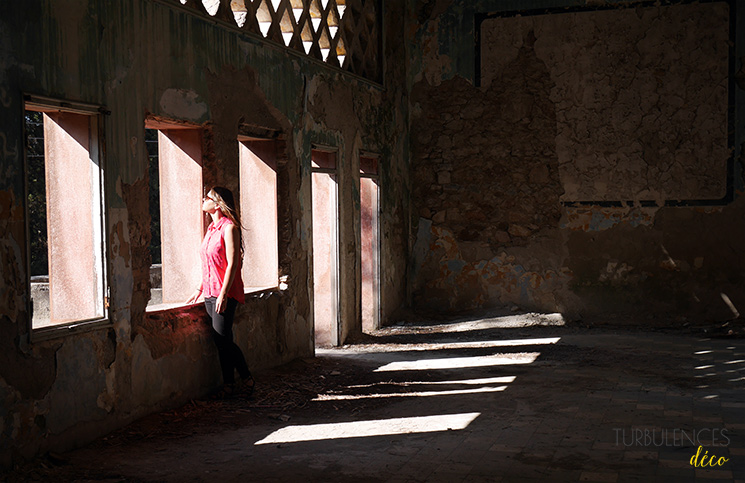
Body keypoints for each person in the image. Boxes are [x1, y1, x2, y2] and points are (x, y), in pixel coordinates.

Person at [187, 186, 255, 397]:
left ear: (217, 204)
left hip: (225, 292)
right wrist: (200, 287)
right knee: (221, 340)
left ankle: (245, 378)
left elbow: (233, 264)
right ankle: (231, 384)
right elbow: (210, 263)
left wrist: (224, 293)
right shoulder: (211, 229)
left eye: (207, 197)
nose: (203, 200)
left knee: (222, 339)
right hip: (209, 291)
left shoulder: (229, 229)